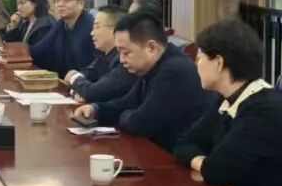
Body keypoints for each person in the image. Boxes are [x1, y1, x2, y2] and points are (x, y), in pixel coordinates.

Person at [172, 19, 282, 186]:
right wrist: (203, 162)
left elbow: (217, 172)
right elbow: (184, 144)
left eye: (200, 57)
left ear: (219, 62)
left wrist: (200, 162)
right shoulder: (227, 98)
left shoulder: (263, 109)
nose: (196, 63)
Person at [71, 11, 206, 151]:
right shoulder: (152, 65)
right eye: (119, 52)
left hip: (174, 156)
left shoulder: (174, 70)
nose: (121, 60)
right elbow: (127, 102)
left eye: (126, 53)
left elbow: (140, 124)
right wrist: (96, 109)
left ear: (151, 48)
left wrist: (125, 115)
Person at [63, 4, 135, 103]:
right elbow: (86, 76)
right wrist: (77, 89)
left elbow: (92, 92)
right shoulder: (103, 55)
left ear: (116, 30)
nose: (92, 33)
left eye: (97, 27)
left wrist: (74, 78)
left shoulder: (124, 61)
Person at [29, 0, 96, 75]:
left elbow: (95, 68)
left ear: (81, 3)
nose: (60, 4)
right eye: (58, 0)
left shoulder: (91, 27)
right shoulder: (61, 24)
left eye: (67, 0)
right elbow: (39, 50)